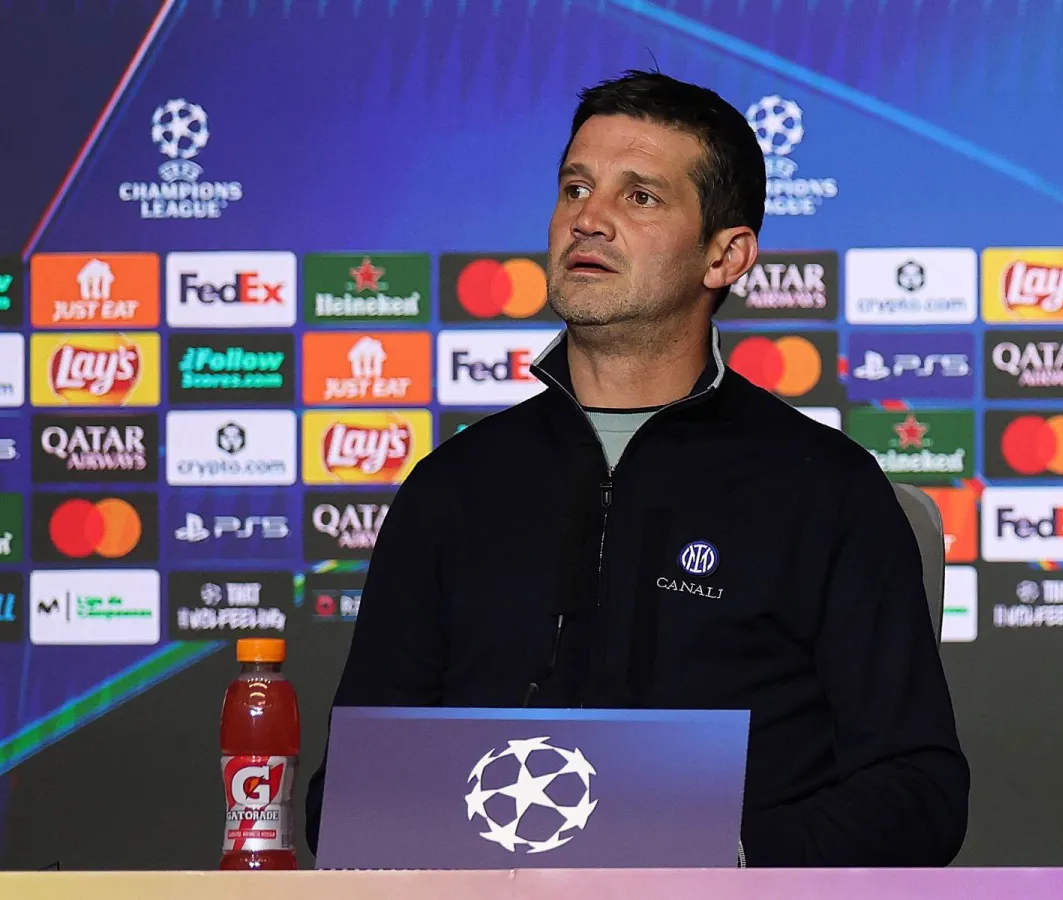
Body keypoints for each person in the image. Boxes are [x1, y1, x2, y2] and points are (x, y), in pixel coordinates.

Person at [306, 69, 969, 867]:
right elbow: (347, 795)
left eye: (640, 196)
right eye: (575, 188)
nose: (589, 218)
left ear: (725, 255)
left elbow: (918, 793)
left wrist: (718, 859)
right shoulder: (454, 486)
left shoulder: (826, 488)